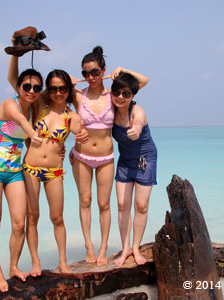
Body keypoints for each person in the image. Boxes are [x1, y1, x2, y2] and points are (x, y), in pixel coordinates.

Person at [69, 46, 149, 265]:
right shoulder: (78, 95)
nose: (91, 77)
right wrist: (68, 78)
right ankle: (89, 246)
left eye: (95, 72)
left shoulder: (114, 95)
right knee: (85, 201)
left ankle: (104, 247)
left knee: (104, 204)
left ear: (103, 70)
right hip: (82, 156)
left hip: (106, 158)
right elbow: (52, 91)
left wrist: (123, 69)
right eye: (86, 73)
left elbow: (142, 82)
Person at [0, 67, 44, 292]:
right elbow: (21, 124)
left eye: (36, 88)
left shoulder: (33, 110)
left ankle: (13, 266)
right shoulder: (10, 105)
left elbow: (23, 141)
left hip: (15, 170)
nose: (31, 91)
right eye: (26, 86)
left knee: (19, 224)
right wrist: (34, 134)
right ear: (18, 87)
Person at [23, 69, 83, 275]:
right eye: (54, 88)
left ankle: (63, 262)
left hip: (54, 172)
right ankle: (35, 262)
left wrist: (78, 141)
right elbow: (20, 86)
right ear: (48, 90)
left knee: (57, 218)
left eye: (63, 88)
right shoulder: (39, 104)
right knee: (32, 217)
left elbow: (82, 130)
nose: (58, 93)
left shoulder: (71, 116)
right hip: (30, 168)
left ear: (68, 90)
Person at [110, 72, 157, 267]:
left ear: (133, 96)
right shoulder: (110, 108)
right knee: (122, 204)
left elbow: (138, 123)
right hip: (125, 160)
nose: (120, 96)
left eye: (126, 93)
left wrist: (135, 130)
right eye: (117, 92)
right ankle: (125, 247)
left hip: (144, 159)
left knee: (141, 205)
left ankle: (136, 248)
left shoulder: (138, 112)